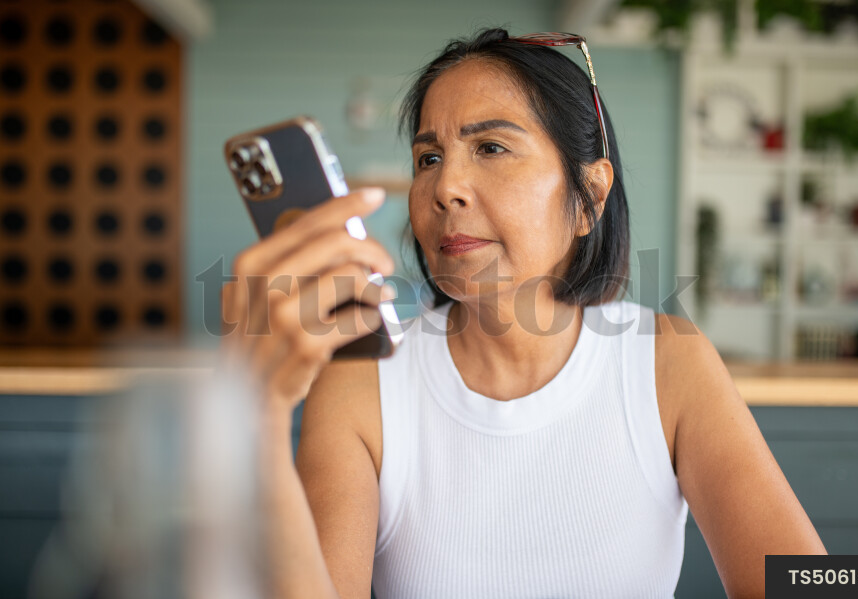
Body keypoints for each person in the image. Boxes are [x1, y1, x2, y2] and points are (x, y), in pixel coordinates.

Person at [220, 28, 825, 599]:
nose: (446, 186)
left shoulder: (667, 359)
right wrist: (261, 416)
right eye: (428, 158)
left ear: (589, 195)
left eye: (490, 147)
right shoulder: (362, 380)